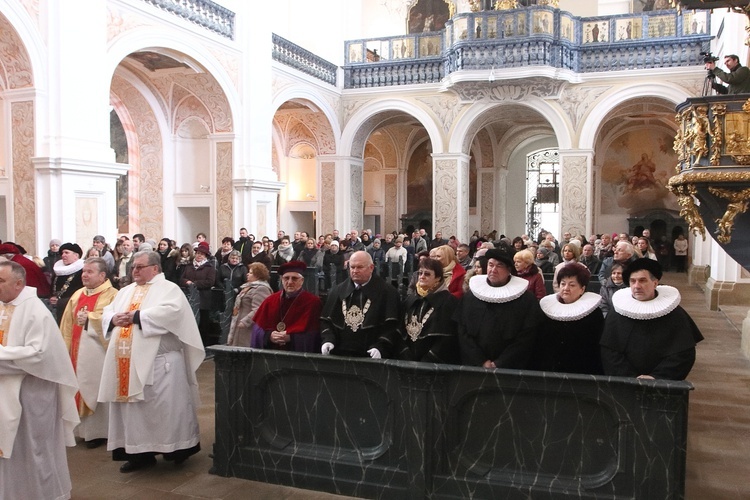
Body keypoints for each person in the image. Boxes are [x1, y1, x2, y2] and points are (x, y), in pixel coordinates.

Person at [99, 250, 205, 472]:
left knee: (164, 410)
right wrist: (112, 318)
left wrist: (138, 317)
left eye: (139, 266)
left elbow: (173, 313)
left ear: (155, 268)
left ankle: (176, 449)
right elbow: (109, 311)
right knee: (132, 413)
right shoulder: (126, 291)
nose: (134, 270)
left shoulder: (170, 289)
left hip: (160, 365)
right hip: (125, 363)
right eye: (133, 267)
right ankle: (139, 455)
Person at [0, 260, 78, 500]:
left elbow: (38, 354)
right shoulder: (3, 306)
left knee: (33, 450)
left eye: (1, 280)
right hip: (5, 393)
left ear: (19, 283)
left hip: (31, 396)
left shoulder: (35, 310)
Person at [600, 258, 704, 380]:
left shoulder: (673, 313)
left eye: (642, 281)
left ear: (655, 283)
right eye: (632, 281)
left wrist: (657, 377)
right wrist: (630, 377)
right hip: (625, 385)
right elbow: (609, 351)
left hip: (663, 385)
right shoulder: (618, 312)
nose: (637, 286)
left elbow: (683, 354)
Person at [59, 257, 118, 448]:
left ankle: (100, 432)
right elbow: (67, 324)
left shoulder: (113, 295)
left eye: (89, 272)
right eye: (84, 271)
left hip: (98, 353)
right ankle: (83, 432)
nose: (84, 275)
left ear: (102, 275)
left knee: (96, 387)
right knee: (78, 387)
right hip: (76, 351)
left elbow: (114, 322)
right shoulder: (77, 295)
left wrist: (91, 318)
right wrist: (64, 349)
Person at [455, 249, 544, 369]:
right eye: (490, 265)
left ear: (509, 270)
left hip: (511, 369)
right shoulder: (471, 296)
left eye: (499, 266)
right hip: (475, 366)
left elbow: (527, 337)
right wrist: (480, 360)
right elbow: (463, 330)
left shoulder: (526, 300)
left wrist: (500, 363)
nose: (493, 270)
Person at [320, 251, 400, 358]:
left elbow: (392, 326)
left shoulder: (388, 292)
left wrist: (381, 347)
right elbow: (326, 321)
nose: (355, 271)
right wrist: (328, 340)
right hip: (340, 354)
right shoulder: (338, 291)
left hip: (371, 356)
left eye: (359, 267)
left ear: (371, 268)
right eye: (352, 267)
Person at [531, 263, 604, 375]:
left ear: (582, 289)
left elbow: (595, 347)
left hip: (581, 371)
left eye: (572, 285)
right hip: (550, 369)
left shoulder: (593, 312)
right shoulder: (547, 309)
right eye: (563, 284)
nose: (566, 288)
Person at [396, 258, 459, 363]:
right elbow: (400, 330)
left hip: (435, 363)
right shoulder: (410, 299)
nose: (422, 277)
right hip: (407, 361)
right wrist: (405, 354)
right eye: (420, 273)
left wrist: (428, 359)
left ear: (438, 278)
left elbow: (447, 338)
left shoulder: (448, 301)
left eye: (427, 274)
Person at [253, 261, 322, 352]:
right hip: (271, 355)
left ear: (302, 281)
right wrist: (269, 336)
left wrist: (292, 338)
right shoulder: (270, 301)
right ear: (282, 280)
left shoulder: (313, 302)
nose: (289, 282)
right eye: (286, 278)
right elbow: (257, 330)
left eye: (294, 278)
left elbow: (315, 335)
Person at [180, 242, 218, 346]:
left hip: (203, 299)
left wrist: (195, 284)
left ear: (205, 256)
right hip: (189, 298)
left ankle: (203, 344)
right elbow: (182, 279)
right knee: (189, 322)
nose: (199, 255)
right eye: (197, 253)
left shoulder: (210, 267)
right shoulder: (189, 266)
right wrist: (187, 282)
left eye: (202, 254)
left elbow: (210, 282)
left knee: (203, 323)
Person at [227, 262, 273, 347]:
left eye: (251, 273)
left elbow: (259, 309)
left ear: (258, 275)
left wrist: (245, 322)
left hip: (249, 327)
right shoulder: (248, 287)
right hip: (239, 326)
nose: (247, 274)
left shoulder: (261, 288)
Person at [51, 242, 85, 323]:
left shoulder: (82, 271)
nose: (63, 255)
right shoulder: (58, 270)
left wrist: (62, 301)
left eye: (66, 253)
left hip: (72, 307)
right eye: (62, 253)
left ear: (76, 256)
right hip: (56, 308)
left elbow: (82, 292)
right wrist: (52, 297)